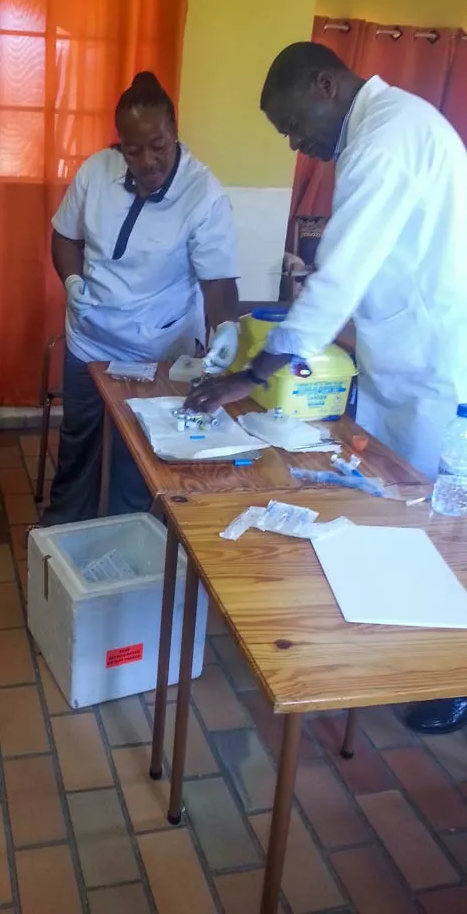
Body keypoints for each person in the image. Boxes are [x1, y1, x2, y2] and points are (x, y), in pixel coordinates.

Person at [186, 41, 467, 735]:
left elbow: (339, 276)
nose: (296, 144)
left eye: (293, 124)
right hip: (407, 357)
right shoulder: (388, 127)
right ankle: (411, 648)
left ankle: (451, 678)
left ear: (325, 85)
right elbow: (359, 271)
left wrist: (251, 375)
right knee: (407, 509)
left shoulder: (386, 139)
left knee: (442, 522)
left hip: (438, 367)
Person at [41, 71, 241, 525]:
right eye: (133, 150)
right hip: (90, 341)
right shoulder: (97, 171)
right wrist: (71, 281)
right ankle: (63, 528)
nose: (147, 161)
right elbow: (64, 236)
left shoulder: (203, 194)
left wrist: (226, 326)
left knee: (137, 454)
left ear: (175, 131)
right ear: (119, 144)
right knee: (78, 440)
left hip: (158, 351)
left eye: (158, 146)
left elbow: (218, 281)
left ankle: (124, 536)